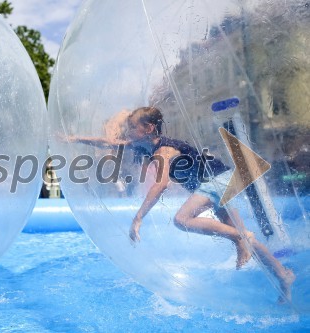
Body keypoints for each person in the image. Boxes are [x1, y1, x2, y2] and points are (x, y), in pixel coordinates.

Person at [66, 106, 295, 303]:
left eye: (133, 127)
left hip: (218, 180)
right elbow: (109, 142)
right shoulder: (145, 146)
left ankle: (245, 240)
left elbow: (160, 185)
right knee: (240, 237)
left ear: (149, 128)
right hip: (220, 179)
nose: (129, 131)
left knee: (183, 220)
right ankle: (281, 274)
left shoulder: (164, 149)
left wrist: (138, 218)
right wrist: (75, 139)